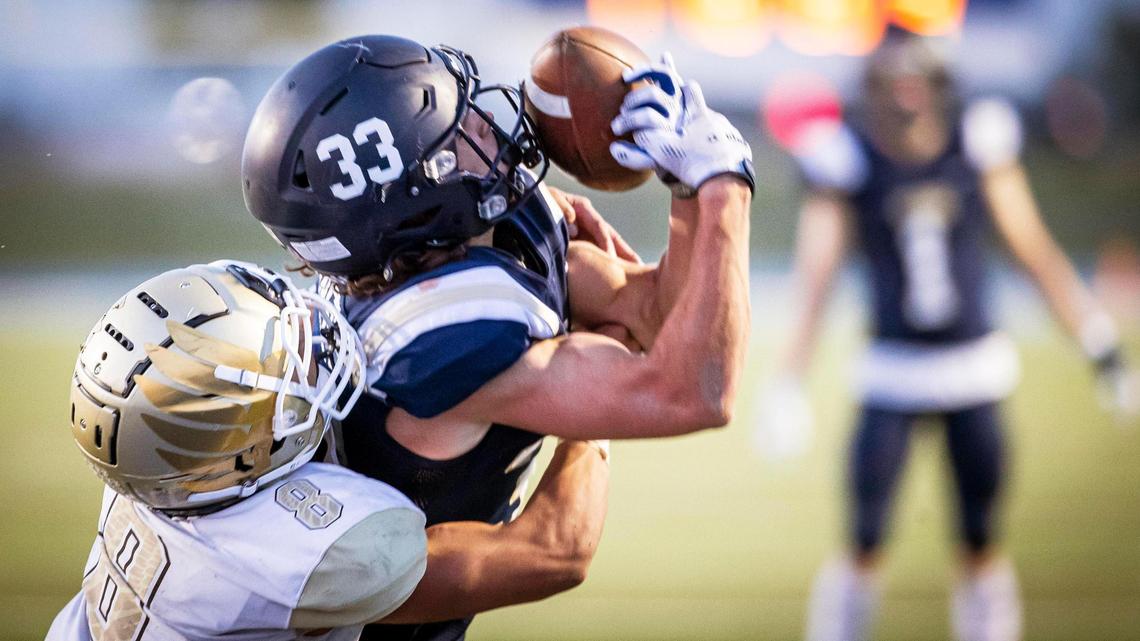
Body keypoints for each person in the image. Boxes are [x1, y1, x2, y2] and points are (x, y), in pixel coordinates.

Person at [241, 34, 755, 640]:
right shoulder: (432, 337)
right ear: (416, 194)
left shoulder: (452, 243)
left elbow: (654, 313)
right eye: (456, 131)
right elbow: (696, 391)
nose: (486, 123)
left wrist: (686, 188)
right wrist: (724, 186)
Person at [760, 33, 1137, 641]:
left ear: (939, 90)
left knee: (981, 540)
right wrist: (787, 382)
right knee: (863, 539)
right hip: (891, 369)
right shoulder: (846, 156)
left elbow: (1031, 251)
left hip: (973, 369)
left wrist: (1098, 342)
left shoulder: (976, 144)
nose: (904, 104)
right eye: (892, 88)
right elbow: (815, 281)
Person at [48, 260, 610, 640]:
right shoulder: (303, 556)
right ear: (240, 455)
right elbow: (554, 551)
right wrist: (591, 408)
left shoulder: (159, 460)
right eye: (287, 369)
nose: (316, 351)